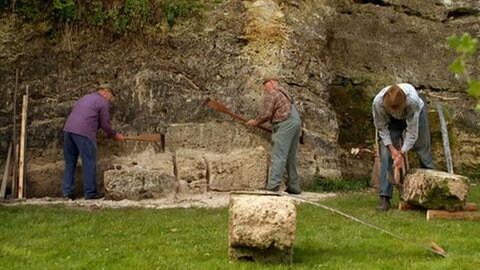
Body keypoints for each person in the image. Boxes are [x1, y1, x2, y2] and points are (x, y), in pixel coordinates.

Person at [372, 83, 435, 211]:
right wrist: (392, 150)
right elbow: (382, 129)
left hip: (415, 114)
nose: (395, 110)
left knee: (423, 150)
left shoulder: (412, 101)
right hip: (391, 120)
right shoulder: (378, 104)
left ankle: (433, 193)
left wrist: (401, 153)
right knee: (386, 154)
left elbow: (412, 132)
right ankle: (385, 198)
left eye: (397, 108)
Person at [62, 84, 123, 200]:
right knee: (89, 162)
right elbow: (105, 123)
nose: (110, 100)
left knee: (70, 163)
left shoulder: (85, 98)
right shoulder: (103, 102)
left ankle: (67, 192)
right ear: (106, 92)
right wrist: (114, 135)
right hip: (84, 132)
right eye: (111, 96)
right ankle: (90, 193)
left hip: (68, 130)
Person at [247, 76, 302, 194]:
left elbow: (266, 114)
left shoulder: (272, 93)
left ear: (271, 83)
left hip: (285, 123)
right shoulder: (284, 93)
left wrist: (255, 122)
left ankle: (272, 186)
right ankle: (294, 186)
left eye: (265, 85)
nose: (264, 89)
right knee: (290, 157)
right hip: (295, 122)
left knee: (278, 155)